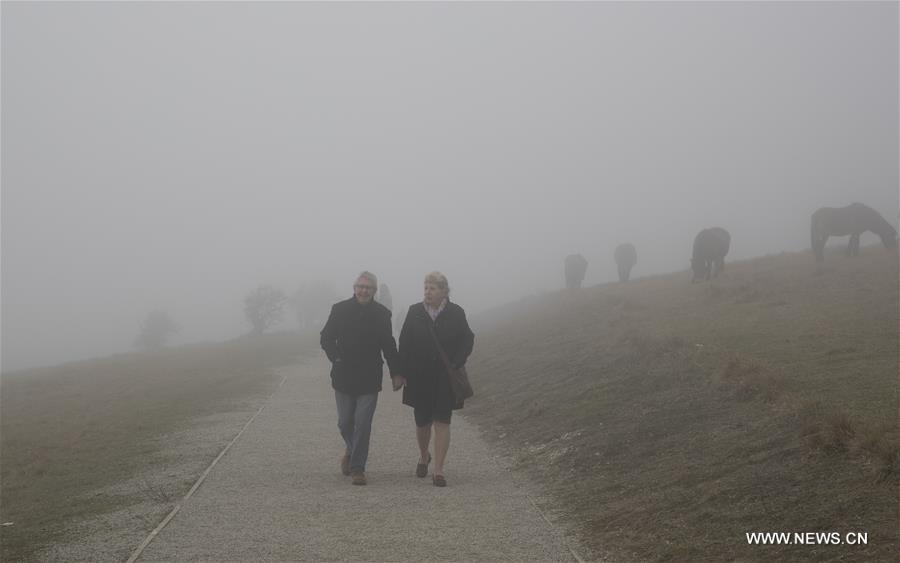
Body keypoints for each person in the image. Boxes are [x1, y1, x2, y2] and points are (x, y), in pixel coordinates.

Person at [395, 272, 474, 487]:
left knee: (442, 420)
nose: (428, 292)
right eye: (426, 288)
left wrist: (456, 363)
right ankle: (423, 456)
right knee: (422, 422)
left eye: (433, 288)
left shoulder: (456, 313)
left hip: (444, 377)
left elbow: (468, 339)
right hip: (418, 376)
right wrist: (400, 373)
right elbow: (404, 342)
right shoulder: (414, 312)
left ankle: (438, 470)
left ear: (444, 291)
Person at [320, 271, 400, 486]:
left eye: (368, 287)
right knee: (344, 422)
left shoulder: (382, 314)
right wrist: (336, 358)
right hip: (343, 375)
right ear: (354, 288)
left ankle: (358, 468)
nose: (364, 290)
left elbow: (388, 345)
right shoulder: (339, 310)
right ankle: (351, 447)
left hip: (369, 376)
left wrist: (396, 372)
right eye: (360, 286)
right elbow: (326, 337)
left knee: (363, 423)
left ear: (374, 291)